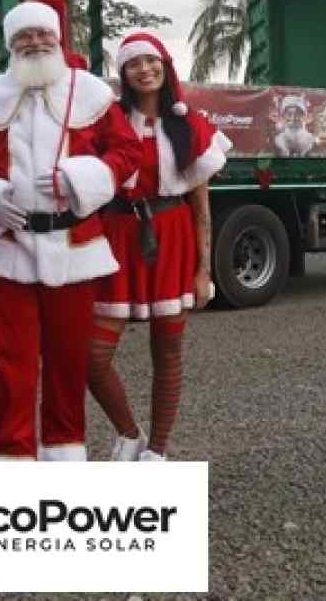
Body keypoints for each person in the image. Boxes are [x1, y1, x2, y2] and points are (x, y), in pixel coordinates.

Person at [0, 0, 141, 461]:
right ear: (11, 45)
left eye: (43, 34)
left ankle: (64, 447)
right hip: (8, 249)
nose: (35, 43)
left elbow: (126, 153)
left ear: (57, 39)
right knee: (9, 360)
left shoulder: (92, 94)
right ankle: (13, 451)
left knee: (68, 357)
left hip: (75, 246)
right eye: (24, 36)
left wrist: (81, 178)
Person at [88, 32, 231, 461]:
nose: (145, 69)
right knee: (92, 356)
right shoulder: (107, 122)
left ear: (165, 66)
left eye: (151, 61)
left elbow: (201, 207)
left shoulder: (190, 124)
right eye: (134, 63)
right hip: (117, 238)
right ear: (124, 73)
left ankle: (157, 451)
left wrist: (204, 269)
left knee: (167, 351)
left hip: (172, 238)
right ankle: (129, 433)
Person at [273, 93, 316, 157]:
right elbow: (280, 128)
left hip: (302, 140)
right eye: (289, 114)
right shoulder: (283, 126)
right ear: (284, 115)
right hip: (287, 139)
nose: (293, 118)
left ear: (302, 114)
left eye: (297, 114)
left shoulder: (304, 126)